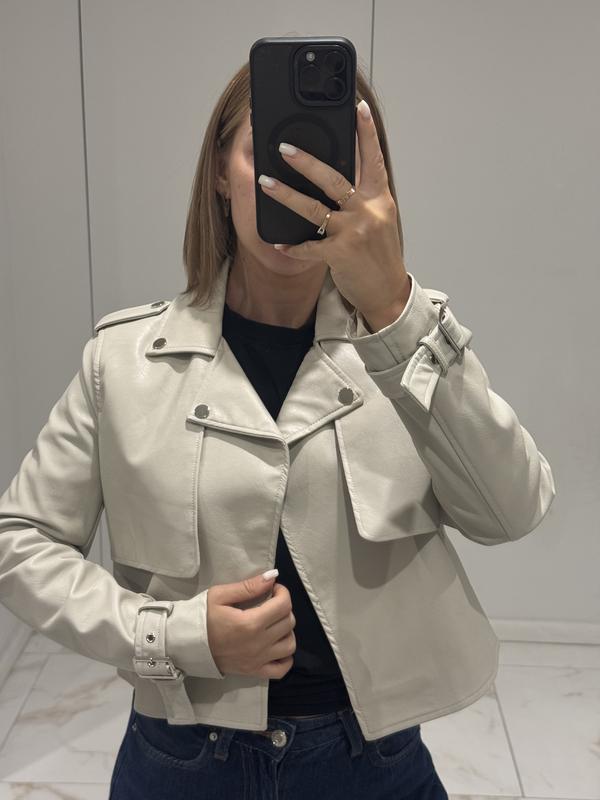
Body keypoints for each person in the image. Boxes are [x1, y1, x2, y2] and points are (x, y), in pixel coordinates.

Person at [0, 58, 556, 800]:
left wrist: (396, 310)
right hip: (182, 759)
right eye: (270, 151)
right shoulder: (122, 362)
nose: (297, 180)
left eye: (326, 158)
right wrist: (173, 634)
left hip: (373, 762)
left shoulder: (409, 345)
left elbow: (512, 509)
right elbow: (20, 543)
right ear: (219, 174)